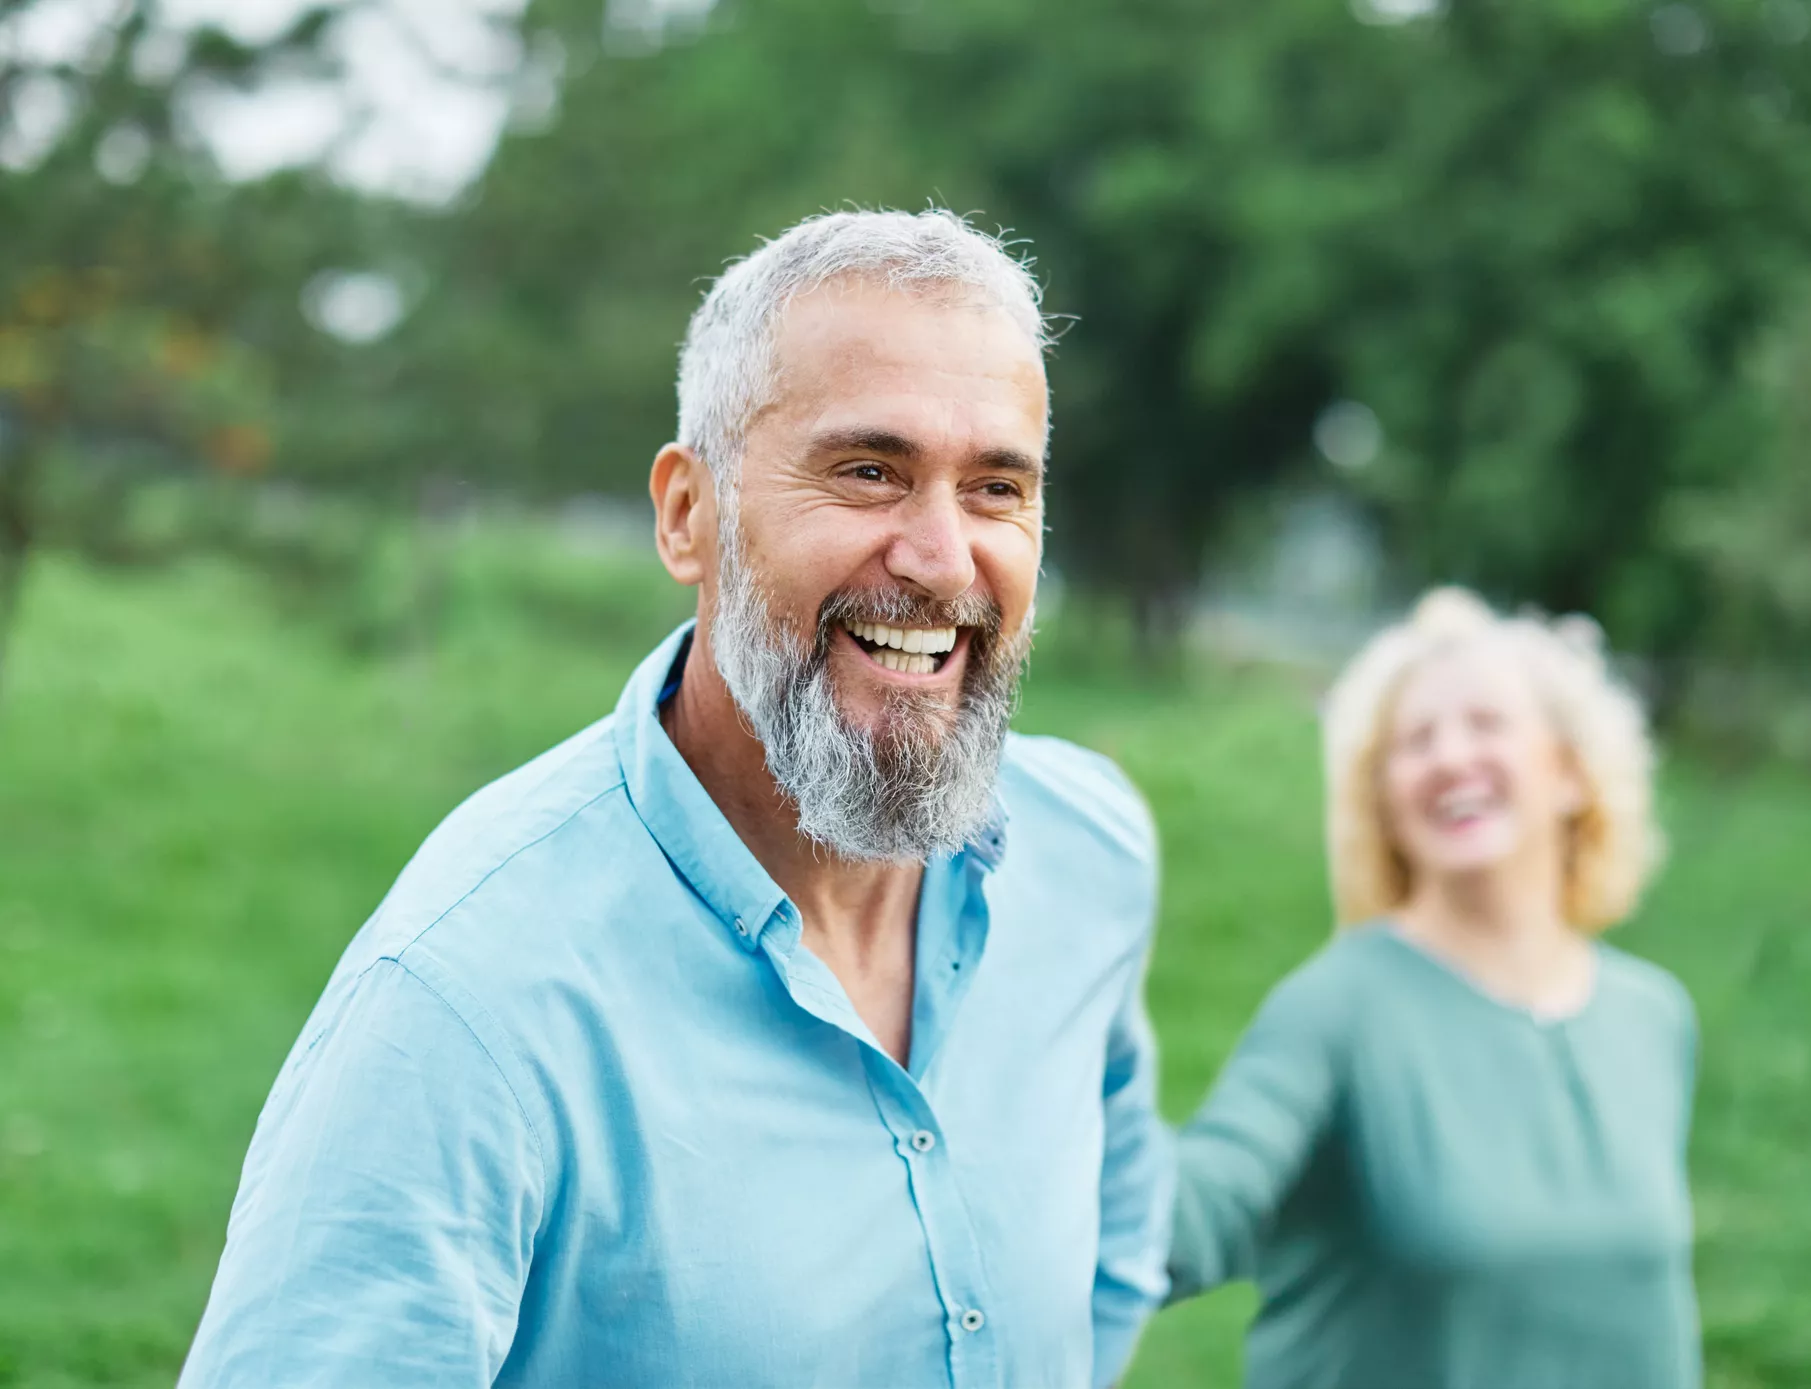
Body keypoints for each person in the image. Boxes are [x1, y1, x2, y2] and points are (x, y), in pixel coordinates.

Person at [180, 210, 1173, 1389]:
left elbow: (1112, 1256)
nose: (943, 557)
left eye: (997, 487)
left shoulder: (1090, 855)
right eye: (868, 472)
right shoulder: (466, 1000)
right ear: (686, 514)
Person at [1170, 588, 1700, 1389]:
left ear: (1569, 773)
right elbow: (1193, 1214)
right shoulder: (1337, 1007)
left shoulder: (1654, 1018)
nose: (1450, 758)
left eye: (1486, 724)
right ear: (1381, 801)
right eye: (1414, 742)